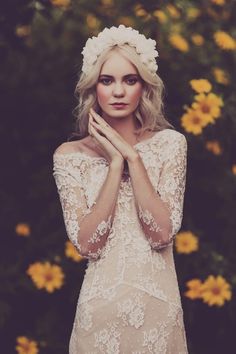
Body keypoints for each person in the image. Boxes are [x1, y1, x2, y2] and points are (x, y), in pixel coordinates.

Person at [52, 24, 188, 354]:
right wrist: (115, 165)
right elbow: (89, 244)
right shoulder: (69, 157)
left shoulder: (170, 145)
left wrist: (133, 159)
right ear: (93, 87)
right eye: (106, 80)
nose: (118, 91)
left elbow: (161, 235)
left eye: (130, 80)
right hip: (99, 313)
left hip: (159, 310)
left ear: (144, 87)